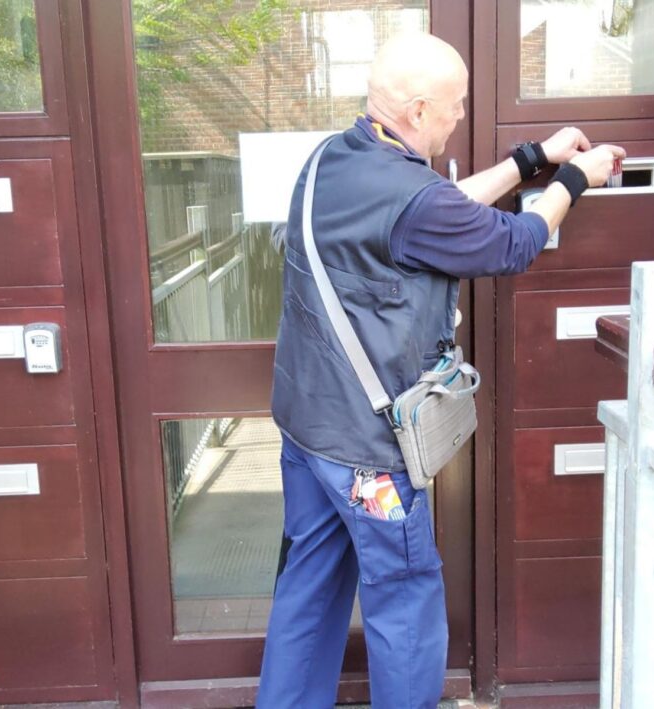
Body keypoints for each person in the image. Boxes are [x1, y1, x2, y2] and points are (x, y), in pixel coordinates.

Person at [257, 32, 624, 709]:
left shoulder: (336, 158)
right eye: (453, 108)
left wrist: (531, 159)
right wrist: (576, 178)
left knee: (307, 587)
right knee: (403, 596)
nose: (458, 118)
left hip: (306, 435)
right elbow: (511, 242)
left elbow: (442, 205)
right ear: (421, 110)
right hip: (367, 462)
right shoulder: (410, 196)